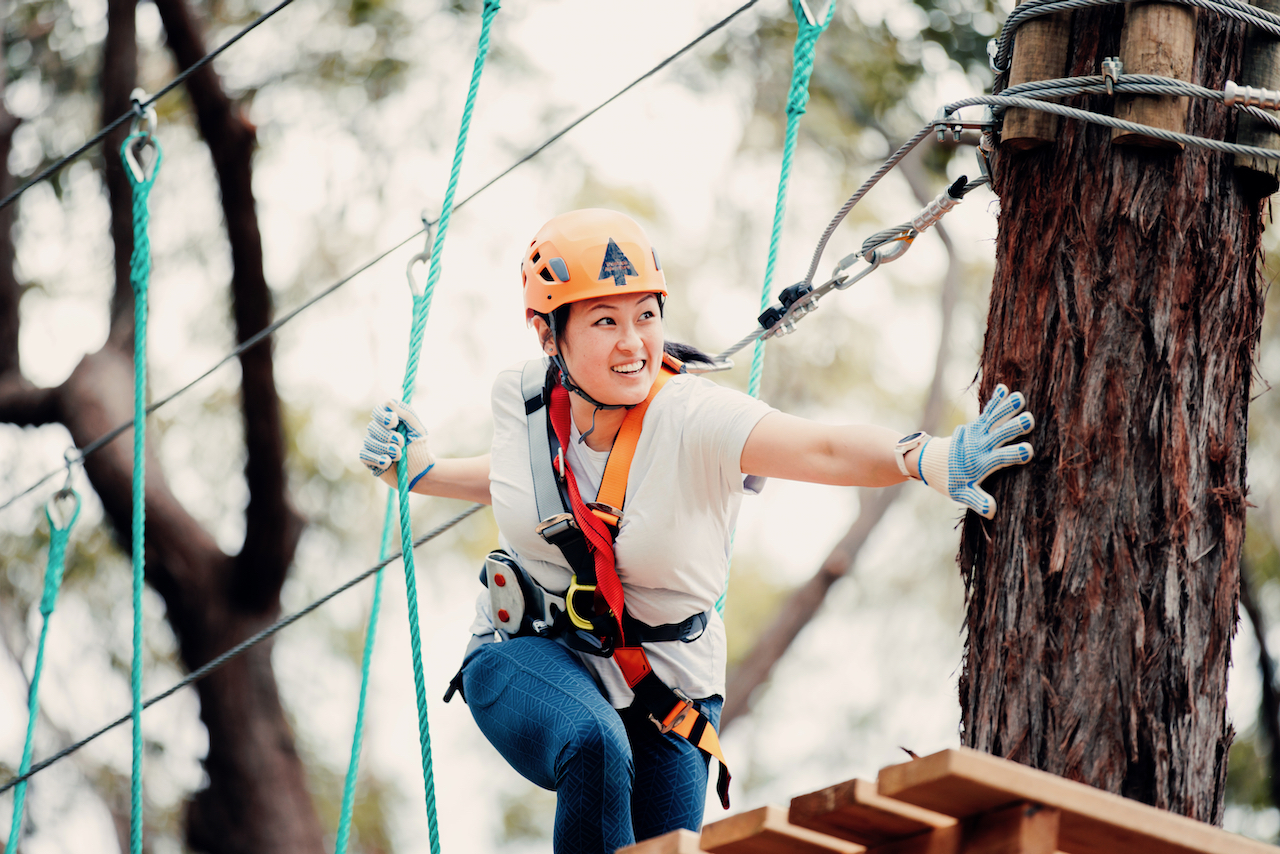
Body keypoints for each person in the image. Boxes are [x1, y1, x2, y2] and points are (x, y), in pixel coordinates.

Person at [359, 209, 1035, 853]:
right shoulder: (525, 401)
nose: (633, 343)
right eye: (604, 321)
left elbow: (821, 448)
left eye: (646, 315)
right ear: (547, 333)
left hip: (665, 690)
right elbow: (527, 483)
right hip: (529, 650)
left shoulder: (695, 419)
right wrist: (421, 473)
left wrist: (928, 458)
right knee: (593, 744)